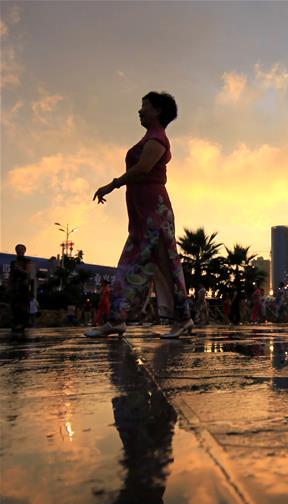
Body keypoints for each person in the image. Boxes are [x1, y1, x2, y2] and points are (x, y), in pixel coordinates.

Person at [86, 92, 192, 338]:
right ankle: (120, 318)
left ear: (157, 110)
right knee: (144, 264)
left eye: (144, 106)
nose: (140, 110)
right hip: (143, 212)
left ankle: (122, 319)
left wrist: (112, 185)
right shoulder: (150, 137)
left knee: (151, 263)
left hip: (154, 212)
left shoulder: (157, 139)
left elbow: (143, 168)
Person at [8, 244, 35, 334]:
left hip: (23, 287)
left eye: (21, 249)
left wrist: (19, 269)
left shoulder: (28, 261)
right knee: (14, 306)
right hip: (14, 288)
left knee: (22, 307)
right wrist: (9, 286)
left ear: (24, 251)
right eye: (18, 249)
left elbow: (30, 275)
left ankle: (22, 324)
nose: (19, 251)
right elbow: (11, 275)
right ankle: (15, 324)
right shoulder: (13, 262)